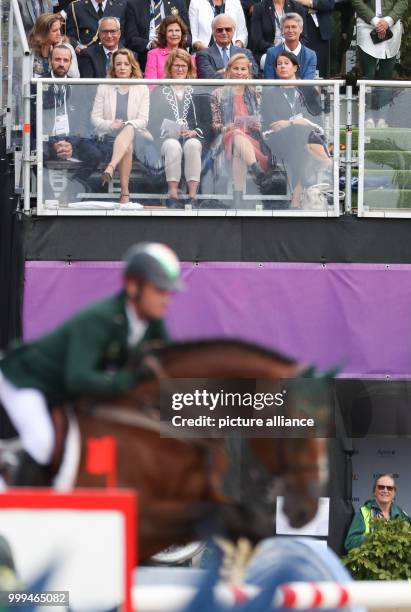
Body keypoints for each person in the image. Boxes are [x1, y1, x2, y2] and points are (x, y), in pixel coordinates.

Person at [0, 243, 182, 485]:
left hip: (59, 388)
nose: (167, 299)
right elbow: (79, 378)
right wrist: (128, 381)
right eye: (160, 290)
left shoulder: (152, 323)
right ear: (132, 286)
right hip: (23, 380)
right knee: (43, 443)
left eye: (169, 292)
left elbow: (168, 366)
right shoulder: (100, 319)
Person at [261, 51, 331, 208]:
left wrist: (290, 122)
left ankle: (296, 197)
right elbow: (273, 122)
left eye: (286, 63)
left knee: (300, 141)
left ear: (295, 67)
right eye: (279, 64)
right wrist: (297, 122)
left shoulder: (308, 90)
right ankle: (325, 161)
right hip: (279, 140)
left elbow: (316, 120)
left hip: (304, 139)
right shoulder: (270, 92)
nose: (282, 66)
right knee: (300, 132)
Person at [40, 45, 103, 203]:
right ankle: (47, 192)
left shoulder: (78, 86)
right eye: (57, 59)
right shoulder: (38, 84)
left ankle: (72, 187)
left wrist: (70, 144)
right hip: (46, 139)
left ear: (70, 63)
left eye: (65, 60)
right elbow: (35, 120)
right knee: (38, 154)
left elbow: (82, 121)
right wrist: (54, 143)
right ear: (50, 60)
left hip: (73, 138)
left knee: (94, 155)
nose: (61, 63)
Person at [148, 49, 208, 209]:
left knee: (193, 145)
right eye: (176, 66)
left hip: (193, 137)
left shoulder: (198, 89)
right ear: (170, 67)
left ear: (189, 68)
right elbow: (152, 120)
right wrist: (169, 130)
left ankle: (192, 196)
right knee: (173, 146)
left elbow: (206, 120)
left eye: (184, 66)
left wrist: (195, 131)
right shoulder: (160, 91)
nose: (180, 69)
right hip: (167, 138)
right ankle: (173, 194)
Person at [91, 48, 150, 204]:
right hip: (108, 137)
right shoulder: (104, 87)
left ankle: (111, 167)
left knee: (129, 128)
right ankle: (125, 192)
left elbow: (143, 120)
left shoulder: (141, 88)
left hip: (137, 137)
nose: (122, 67)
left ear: (132, 67)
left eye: (126, 64)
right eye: (118, 64)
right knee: (127, 146)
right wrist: (111, 125)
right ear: (113, 67)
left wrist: (124, 124)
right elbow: (95, 119)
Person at [211, 53, 269, 209]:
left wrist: (258, 124)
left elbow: (263, 120)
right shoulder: (218, 94)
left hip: (252, 141)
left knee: (239, 150)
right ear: (228, 71)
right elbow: (215, 125)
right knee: (235, 134)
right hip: (225, 141)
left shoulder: (256, 94)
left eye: (243, 69)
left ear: (248, 72)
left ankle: (237, 198)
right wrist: (225, 127)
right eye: (235, 68)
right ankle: (257, 172)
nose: (239, 72)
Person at [351, 0, 407, 128]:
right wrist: (375, 21)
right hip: (367, 25)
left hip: (392, 26)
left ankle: (383, 118)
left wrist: (388, 21)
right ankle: (367, 117)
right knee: (367, 75)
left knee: (386, 77)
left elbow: (403, 1)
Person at [345, 474, 411, 552]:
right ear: (374, 491)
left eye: (389, 488)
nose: (385, 490)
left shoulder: (401, 514)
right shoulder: (363, 512)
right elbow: (349, 543)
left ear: (394, 493)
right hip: (370, 561)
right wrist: (373, 537)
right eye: (381, 487)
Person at [125, 0, 190, 72]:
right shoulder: (134, 4)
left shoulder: (178, 2)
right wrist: (150, 44)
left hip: (176, 52)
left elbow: (188, 35)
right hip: (145, 53)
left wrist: (176, 42)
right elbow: (131, 38)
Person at [196, 14, 258, 79]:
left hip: (242, 89)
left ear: (233, 31)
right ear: (213, 32)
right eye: (219, 30)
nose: (224, 33)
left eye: (228, 29)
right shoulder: (203, 54)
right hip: (214, 89)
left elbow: (254, 74)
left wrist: (222, 71)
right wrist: (236, 74)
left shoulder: (245, 53)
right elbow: (208, 77)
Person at [251, 0, 307, 69]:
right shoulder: (259, 8)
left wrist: (291, 51)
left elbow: (304, 37)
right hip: (267, 52)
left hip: (293, 51)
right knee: (275, 62)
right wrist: (277, 50)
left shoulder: (297, 7)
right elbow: (257, 40)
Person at [264, 13, 316, 79]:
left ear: (301, 29)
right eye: (287, 27)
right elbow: (269, 82)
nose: (290, 30)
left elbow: (308, 84)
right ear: (282, 30)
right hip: (277, 89)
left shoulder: (310, 55)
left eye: (294, 27)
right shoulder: (271, 53)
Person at [29, 12, 80, 78]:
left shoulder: (67, 47)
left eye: (59, 29)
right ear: (43, 32)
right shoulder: (31, 51)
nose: (59, 33)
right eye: (54, 30)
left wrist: (57, 50)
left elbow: (74, 76)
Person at [292, 0, 334, 77]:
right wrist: (308, 10)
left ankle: (320, 88)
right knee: (301, 67)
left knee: (321, 69)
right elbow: (290, 5)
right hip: (301, 31)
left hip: (321, 32)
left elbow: (329, 4)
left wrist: (309, 3)